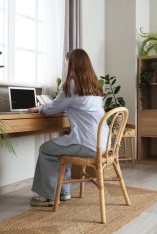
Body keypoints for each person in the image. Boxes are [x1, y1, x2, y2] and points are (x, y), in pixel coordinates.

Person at [27, 48, 109, 207]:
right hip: (103, 143)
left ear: (72, 65)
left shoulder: (72, 86)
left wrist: (40, 108)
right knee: (62, 147)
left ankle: (48, 196)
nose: (65, 67)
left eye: (66, 64)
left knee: (46, 149)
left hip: (87, 144)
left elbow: (51, 110)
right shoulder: (93, 87)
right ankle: (63, 192)